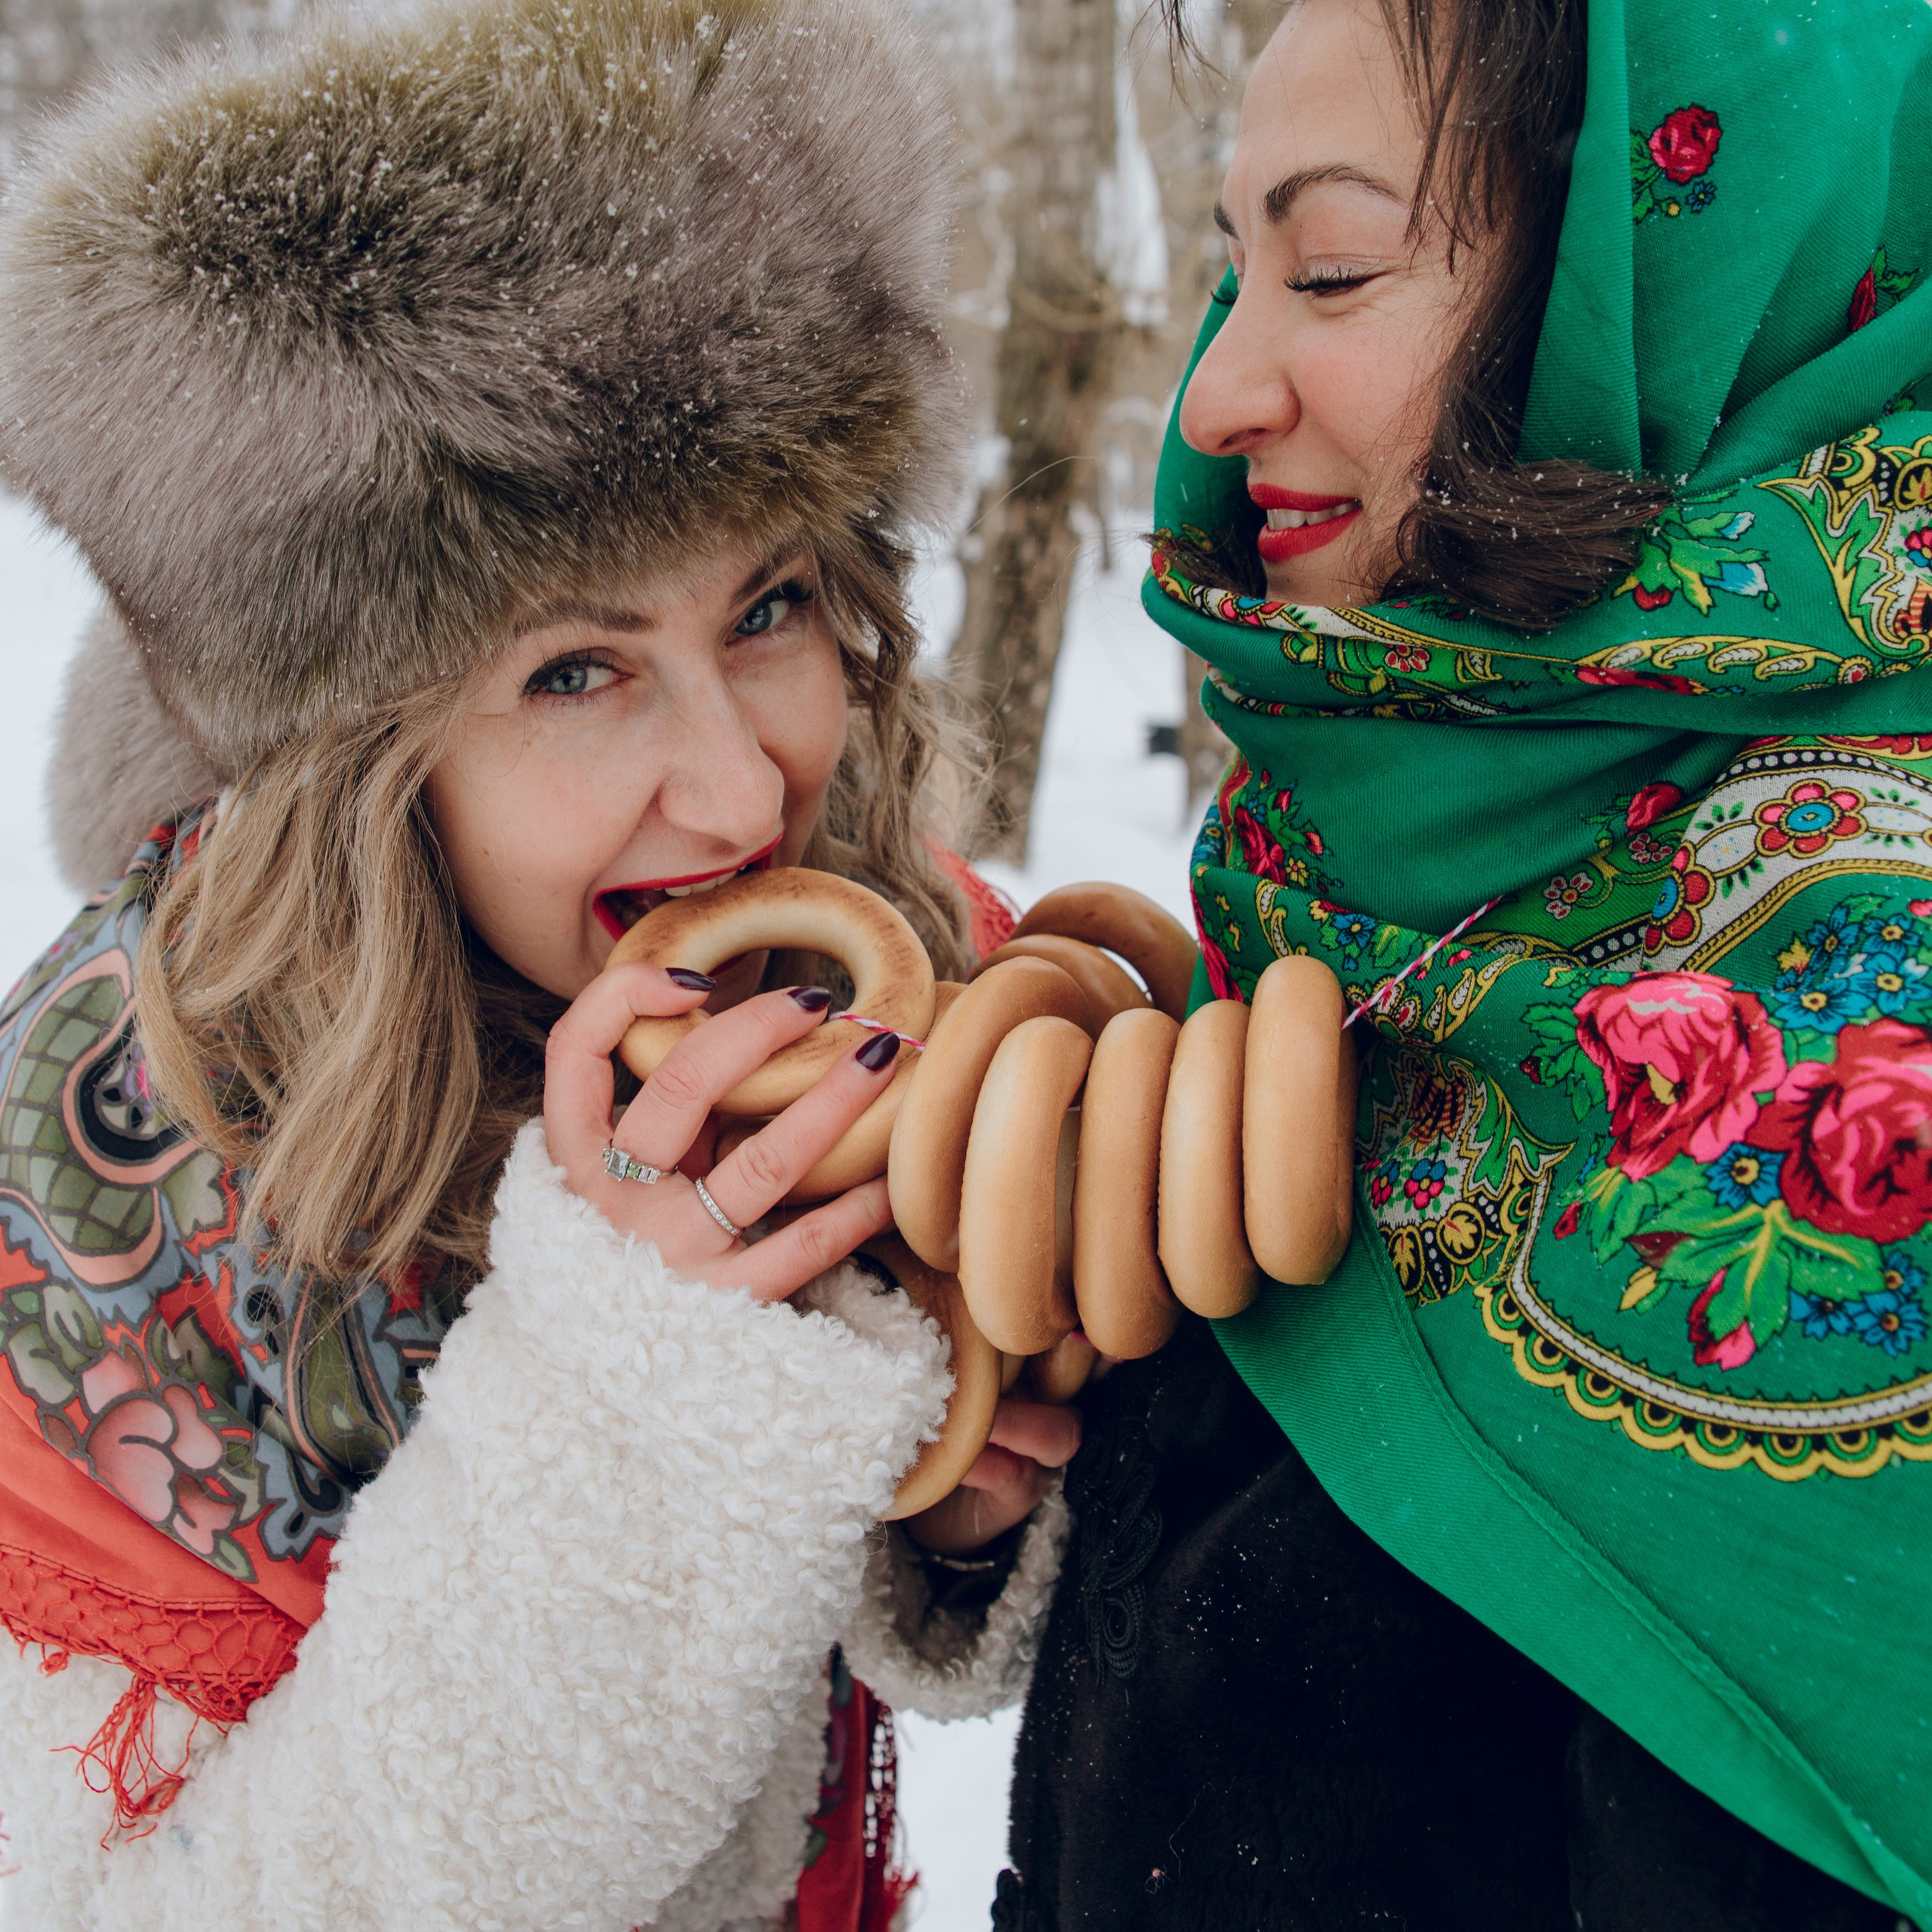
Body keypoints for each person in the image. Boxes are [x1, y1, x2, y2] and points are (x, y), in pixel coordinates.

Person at [0, 1, 1077, 1925]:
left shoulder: (877, 981)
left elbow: (866, 1659)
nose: (744, 776)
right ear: (361, 749)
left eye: (767, 607)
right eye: (575, 669)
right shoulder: (92, 1210)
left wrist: (938, 1514)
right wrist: (637, 1407)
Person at [994, 0, 1932, 1925]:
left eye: (1329, 266)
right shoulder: (1324, 933)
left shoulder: (1875, 1054)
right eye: (1231, 264)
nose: (1213, 396)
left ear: (1671, 272)